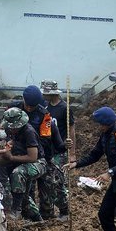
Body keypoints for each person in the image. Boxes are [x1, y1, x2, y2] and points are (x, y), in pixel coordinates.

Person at [8, 85, 66, 220]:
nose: (29, 108)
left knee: (48, 195)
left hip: (42, 157)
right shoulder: (14, 109)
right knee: (27, 189)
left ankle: (48, 217)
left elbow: (52, 142)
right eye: (27, 105)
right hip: (23, 157)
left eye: (32, 106)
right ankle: (30, 216)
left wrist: (65, 146)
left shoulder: (44, 116)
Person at [2, 108, 48, 222]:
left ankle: (16, 210)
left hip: (38, 163)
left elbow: (33, 157)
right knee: (23, 194)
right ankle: (37, 218)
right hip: (20, 162)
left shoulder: (29, 132)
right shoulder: (10, 130)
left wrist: (12, 158)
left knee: (18, 174)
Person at [41, 80, 73, 219]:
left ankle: (64, 210)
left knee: (58, 182)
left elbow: (71, 130)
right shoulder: (44, 107)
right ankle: (48, 212)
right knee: (46, 181)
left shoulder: (64, 108)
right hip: (48, 150)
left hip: (60, 150)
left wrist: (72, 153)